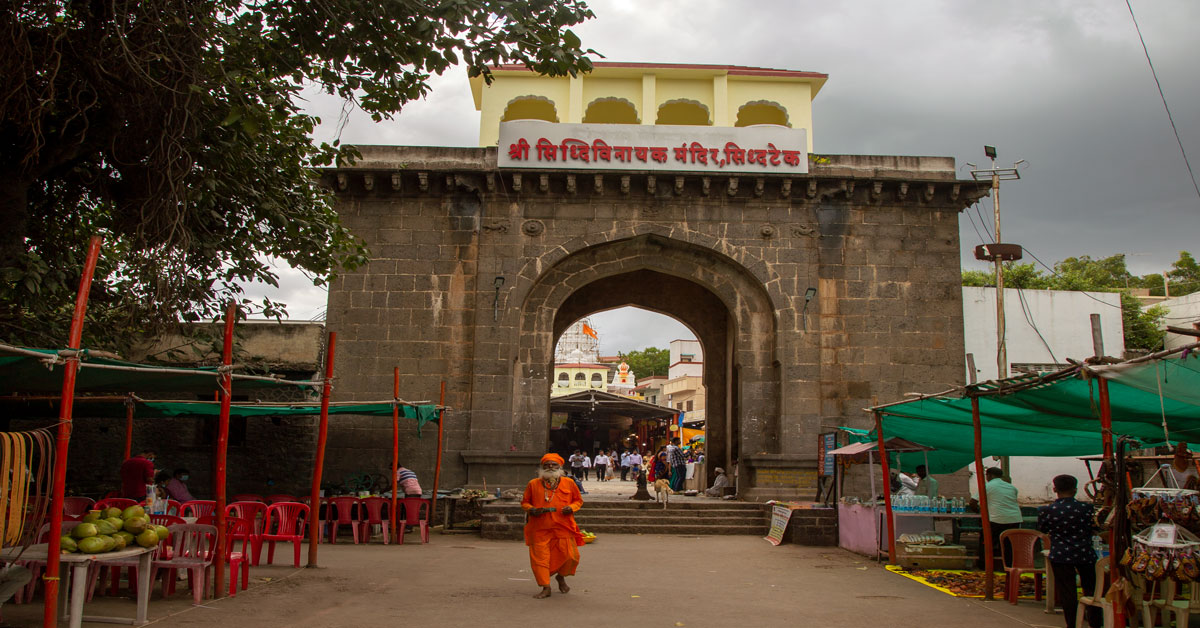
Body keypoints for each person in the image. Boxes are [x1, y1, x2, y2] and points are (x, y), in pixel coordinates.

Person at [1038, 474, 1101, 628]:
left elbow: (1043, 529)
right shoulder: (1087, 508)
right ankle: (1095, 622)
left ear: (1054, 489)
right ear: (1075, 490)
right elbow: (1095, 527)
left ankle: (1072, 623)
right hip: (1085, 553)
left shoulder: (1047, 510)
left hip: (1061, 554)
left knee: (1067, 592)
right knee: (1092, 590)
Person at [521, 453, 584, 599]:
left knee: (570, 557)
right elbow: (524, 502)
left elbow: (578, 501)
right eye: (547, 465)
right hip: (539, 527)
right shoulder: (533, 484)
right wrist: (531, 509)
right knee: (540, 559)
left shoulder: (569, 483)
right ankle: (546, 587)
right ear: (542, 467)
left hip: (563, 526)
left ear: (560, 467)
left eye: (554, 465)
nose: (550, 467)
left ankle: (560, 577)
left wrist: (571, 508)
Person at [984, 467, 1024, 568]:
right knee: (1009, 544)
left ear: (990, 475)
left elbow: (973, 501)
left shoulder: (988, 486)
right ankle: (1009, 565)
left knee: (987, 542)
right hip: (1014, 518)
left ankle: (985, 564)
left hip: (997, 518)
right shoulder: (1011, 487)